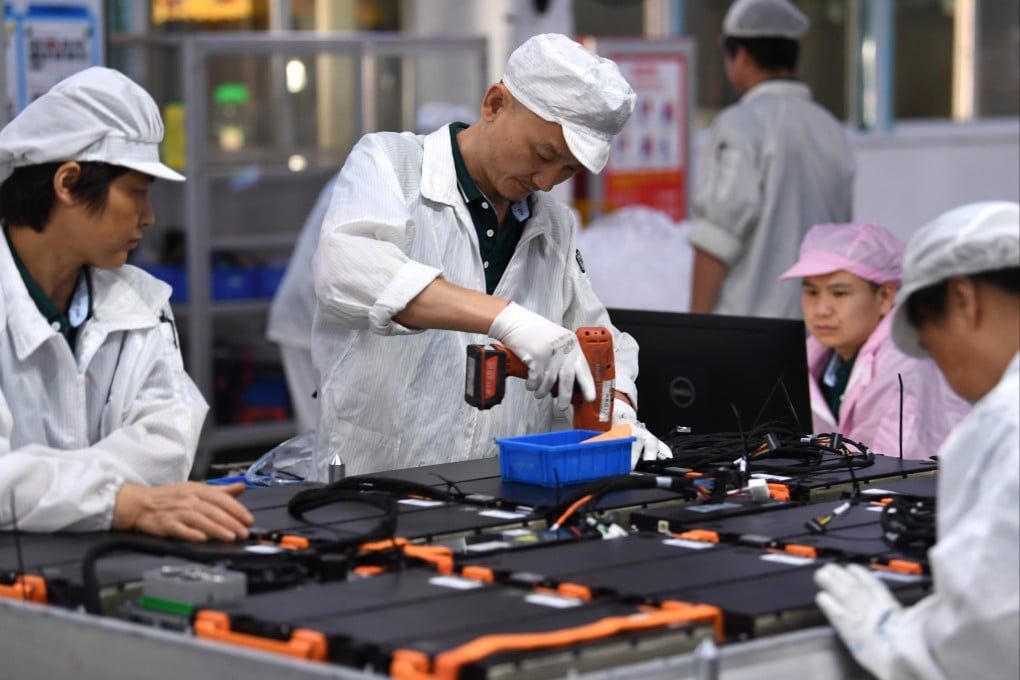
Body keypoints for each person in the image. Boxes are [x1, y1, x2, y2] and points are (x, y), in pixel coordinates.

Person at [310, 33, 671, 478]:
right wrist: (507, 320)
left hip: (500, 495)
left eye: (569, 170)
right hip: (376, 485)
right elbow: (350, 272)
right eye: (545, 154)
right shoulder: (391, 164)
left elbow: (597, 339)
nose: (547, 181)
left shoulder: (552, 222)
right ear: (495, 104)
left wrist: (617, 411)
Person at [0, 67, 254, 541]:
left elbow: (168, 442)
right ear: (68, 182)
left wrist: (51, 491)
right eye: (136, 193)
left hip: (100, 553)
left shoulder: (138, 301)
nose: (149, 216)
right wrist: (122, 501)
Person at [814, 201, 1019, 679]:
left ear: (965, 300)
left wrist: (890, 639)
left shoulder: (1005, 424)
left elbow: (986, 640)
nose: (937, 365)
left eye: (929, 341)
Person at [267, 103, 477, 434]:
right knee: (323, 431)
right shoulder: (378, 176)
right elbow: (358, 272)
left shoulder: (426, 184)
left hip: (339, 318)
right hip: (309, 322)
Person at [688, 0, 855, 318]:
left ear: (742, 56)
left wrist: (695, 325)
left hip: (748, 332)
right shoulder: (831, 129)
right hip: (817, 328)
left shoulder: (740, 124)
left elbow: (716, 237)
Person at [778, 222, 969, 458]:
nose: (821, 310)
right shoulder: (805, 356)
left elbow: (891, 467)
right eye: (811, 292)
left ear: (885, 296)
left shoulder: (909, 363)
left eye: (839, 293)